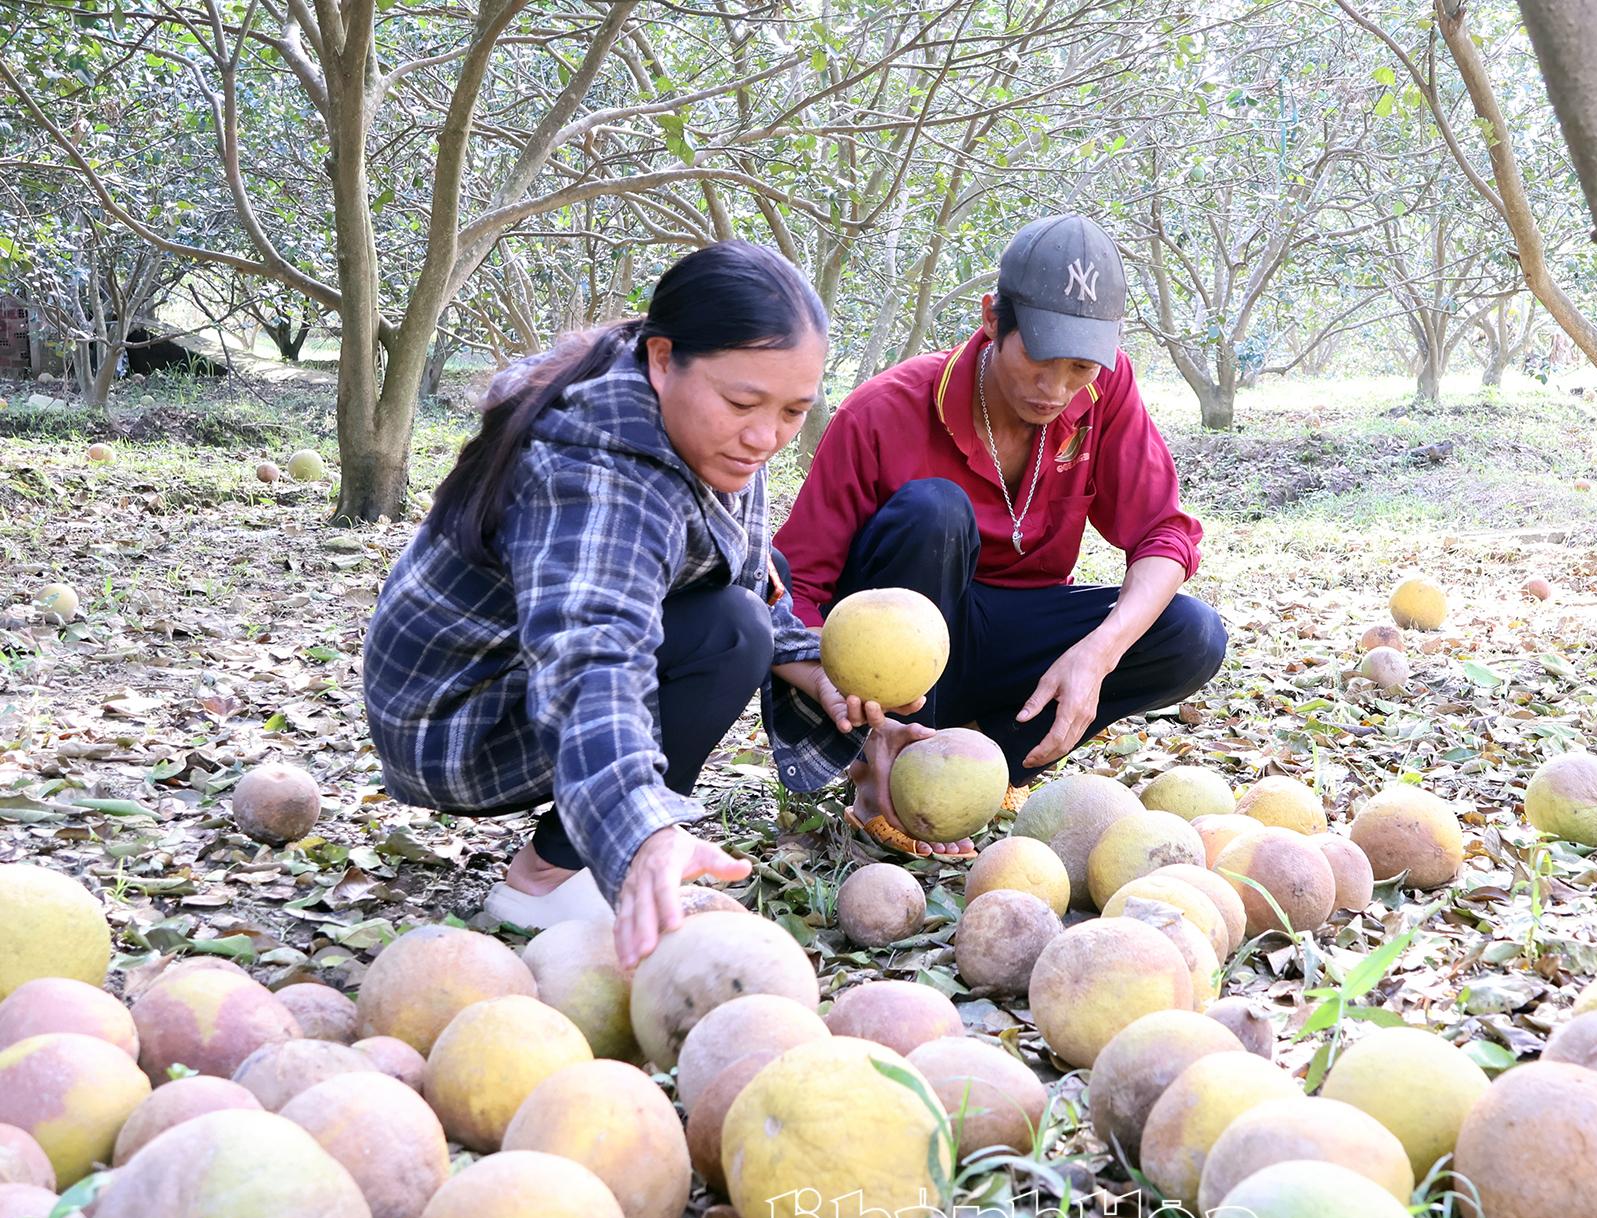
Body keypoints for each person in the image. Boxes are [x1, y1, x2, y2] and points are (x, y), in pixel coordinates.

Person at [362, 242, 920, 967]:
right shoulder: (596, 470)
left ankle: (591, 855)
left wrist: (813, 668)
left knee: (748, 600)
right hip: (451, 717)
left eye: (792, 410)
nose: (765, 436)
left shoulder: (697, 430)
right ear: (662, 360)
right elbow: (591, 653)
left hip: (510, 681)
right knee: (730, 631)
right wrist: (641, 827)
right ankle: (546, 879)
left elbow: (747, 571)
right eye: (743, 402)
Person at [773, 213, 1227, 856]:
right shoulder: (883, 412)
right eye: (1040, 360)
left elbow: (1163, 533)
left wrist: (1096, 655)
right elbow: (796, 588)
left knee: (1191, 634)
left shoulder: (1105, 391)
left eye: (1080, 368)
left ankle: (988, 762)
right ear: (992, 319)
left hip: (1010, 641)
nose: (1057, 389)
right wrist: (849, 704)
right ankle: (892, 768)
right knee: (936, 510)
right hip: (905, 652)